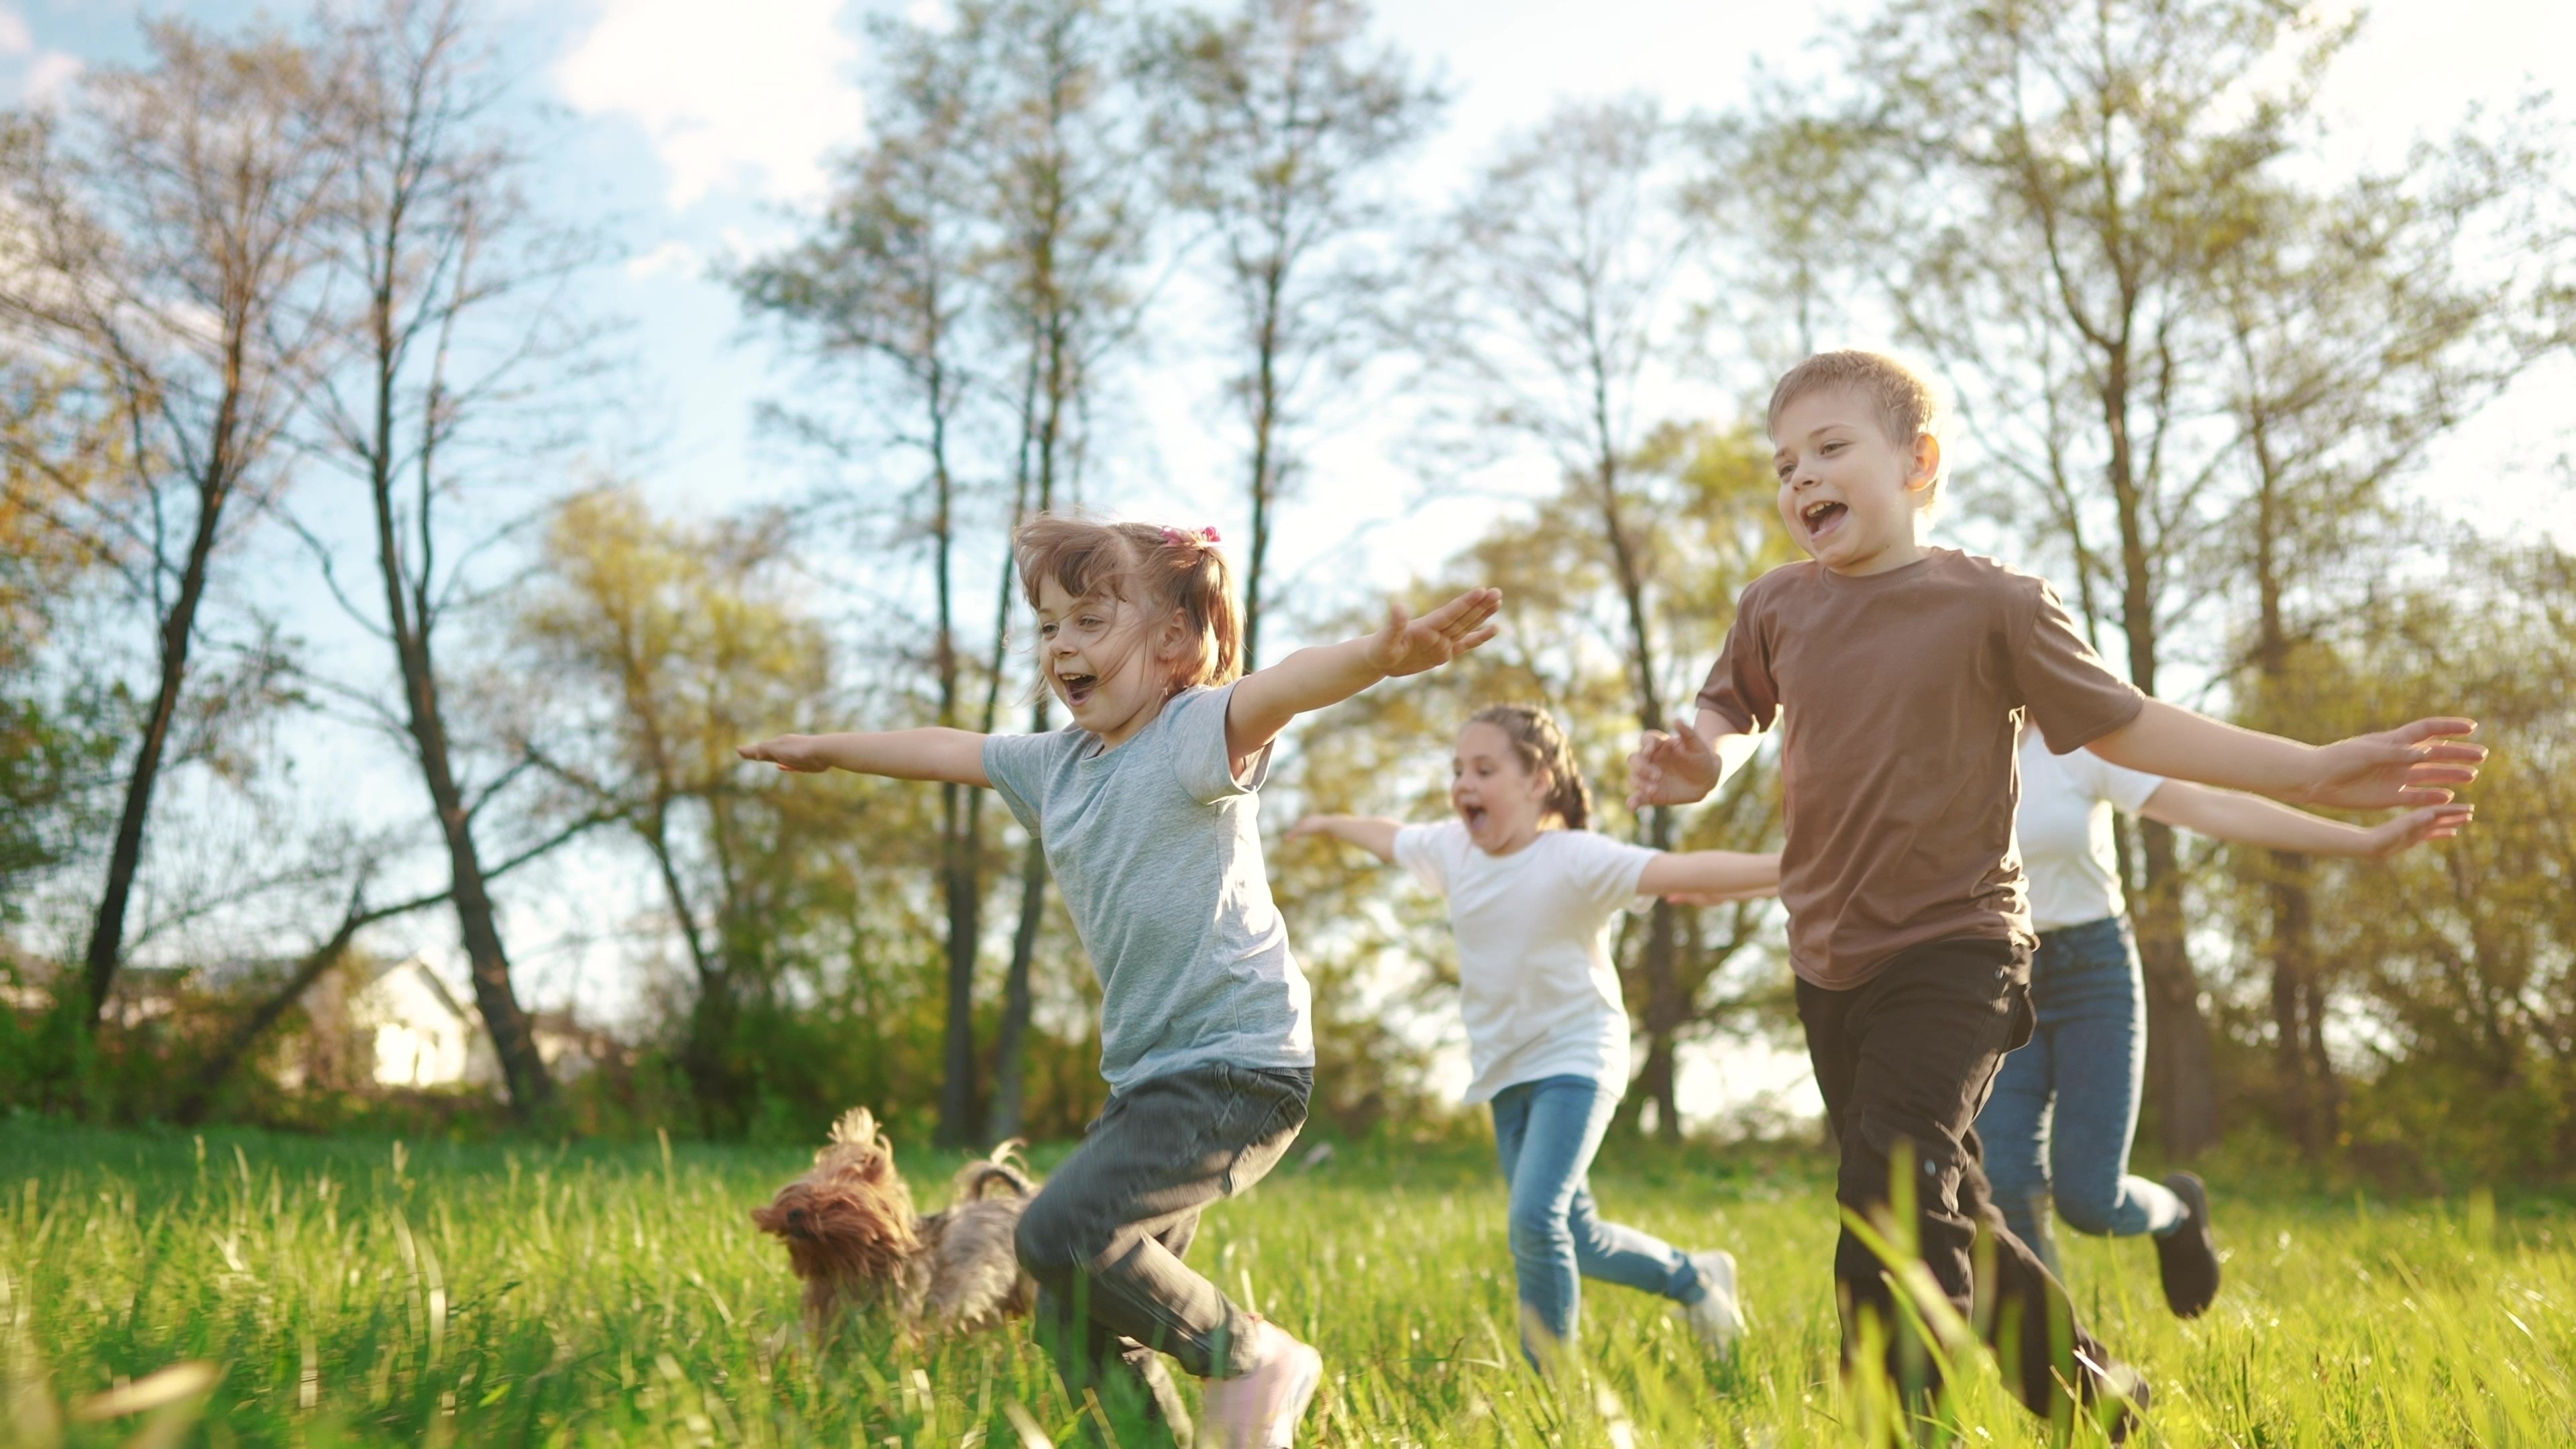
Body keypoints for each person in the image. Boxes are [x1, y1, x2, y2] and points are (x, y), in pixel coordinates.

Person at [1627, 350, 2482, 1437]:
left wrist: (2313, 770)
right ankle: (2098, 1396)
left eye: (1831, 450)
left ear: (1918, 462)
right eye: (1784, 463)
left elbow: (2131, 726)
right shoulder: (1776, 605)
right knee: (1951, 1205)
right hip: (1830, 963)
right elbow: (1731, 711)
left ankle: (1892, 1422)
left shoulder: (1994, 605)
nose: (1802, 480)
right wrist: (1702, 762)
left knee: (1889, 1201)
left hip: (1959, 950)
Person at [741, 515, 1503, 1449]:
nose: (1062, 645)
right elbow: (948, 747)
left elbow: (1284, 687)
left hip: (1238, 1064)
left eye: (1091, 621)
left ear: (1175, 643)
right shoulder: (1056, 767)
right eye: (1050, 626)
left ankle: (1254, 1357)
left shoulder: (1190, 734)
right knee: (1079, 1316)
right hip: (1150, 1080)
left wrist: (1376, 658)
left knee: (1053, 1235)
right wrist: (827, 747)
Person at [1290, 704, 1778, 1371]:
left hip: (1578, 1055)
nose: (1464, 784)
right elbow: (1391, 835)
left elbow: (1682, 873)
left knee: (1534, 1220)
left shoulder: (1574, 858)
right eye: (1458, 769)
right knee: (1580, 1237)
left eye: (1484, 769)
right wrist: (1326, 823)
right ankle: (1696, 1279)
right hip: (1505, 1069)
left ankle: (1552, 1396)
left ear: (1538, 780)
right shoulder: (1453, 851)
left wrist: (1793, 868)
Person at [1982, 729, 2469, 1313]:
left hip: (2093, 972)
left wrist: (2362, 844)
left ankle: (2179, 1213)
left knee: (2090, 1201)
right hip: (2002, 970)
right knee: (2007, 1178)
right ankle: (2065, 1364)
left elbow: (2210, 803)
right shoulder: (1950, 745)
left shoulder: (2078, 741)